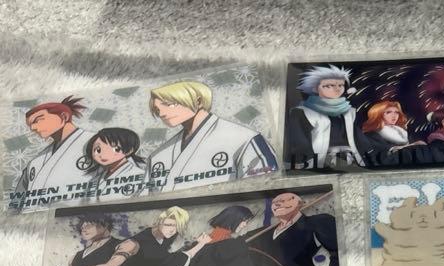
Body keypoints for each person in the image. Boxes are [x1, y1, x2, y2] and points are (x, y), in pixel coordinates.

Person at [145, 79, 277, 192]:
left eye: (169, 104)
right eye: (157, 109)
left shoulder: (245, 139)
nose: (162, 113)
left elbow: (267, 184)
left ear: (198, 101)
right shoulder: (158, 156)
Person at [248, 191, 340, 266]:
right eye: (276, 202)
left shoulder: (316, 222)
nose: (279, 203)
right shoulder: (263, 233)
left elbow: (338, 249)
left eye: (287, 199)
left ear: (301, 203)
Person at [12, 96, 88, 208]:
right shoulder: (35, 162)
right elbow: (16, 202)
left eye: (37, 120)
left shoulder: (94, 145)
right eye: (30, 125)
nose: (33, 127)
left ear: (63, 117)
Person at [286, 64, 366, 169]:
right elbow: (299, 143)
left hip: (350, 160)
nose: (337, 89)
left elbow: (359, 137)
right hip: (318, 164)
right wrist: (307, 162)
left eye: (340, 85)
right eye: (329, 86)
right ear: (315, 88)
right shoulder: (301, 112)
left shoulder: (349, 112)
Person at [356, 101, 444, 167]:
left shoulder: (402, 132)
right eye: (388, 112)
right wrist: (411, 146)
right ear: (378, 114)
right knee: (419, 150)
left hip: (406, 159)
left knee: (430, 149)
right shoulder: (371, 134)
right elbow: (381, 154)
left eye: (396, 112)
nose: (394, 115)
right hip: (388, 164)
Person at [81, 127, 146, 201]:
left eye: (116, 149)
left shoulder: (139, 175)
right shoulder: (96, 178)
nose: (104, 155)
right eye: (98, 150)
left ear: (129, 150)